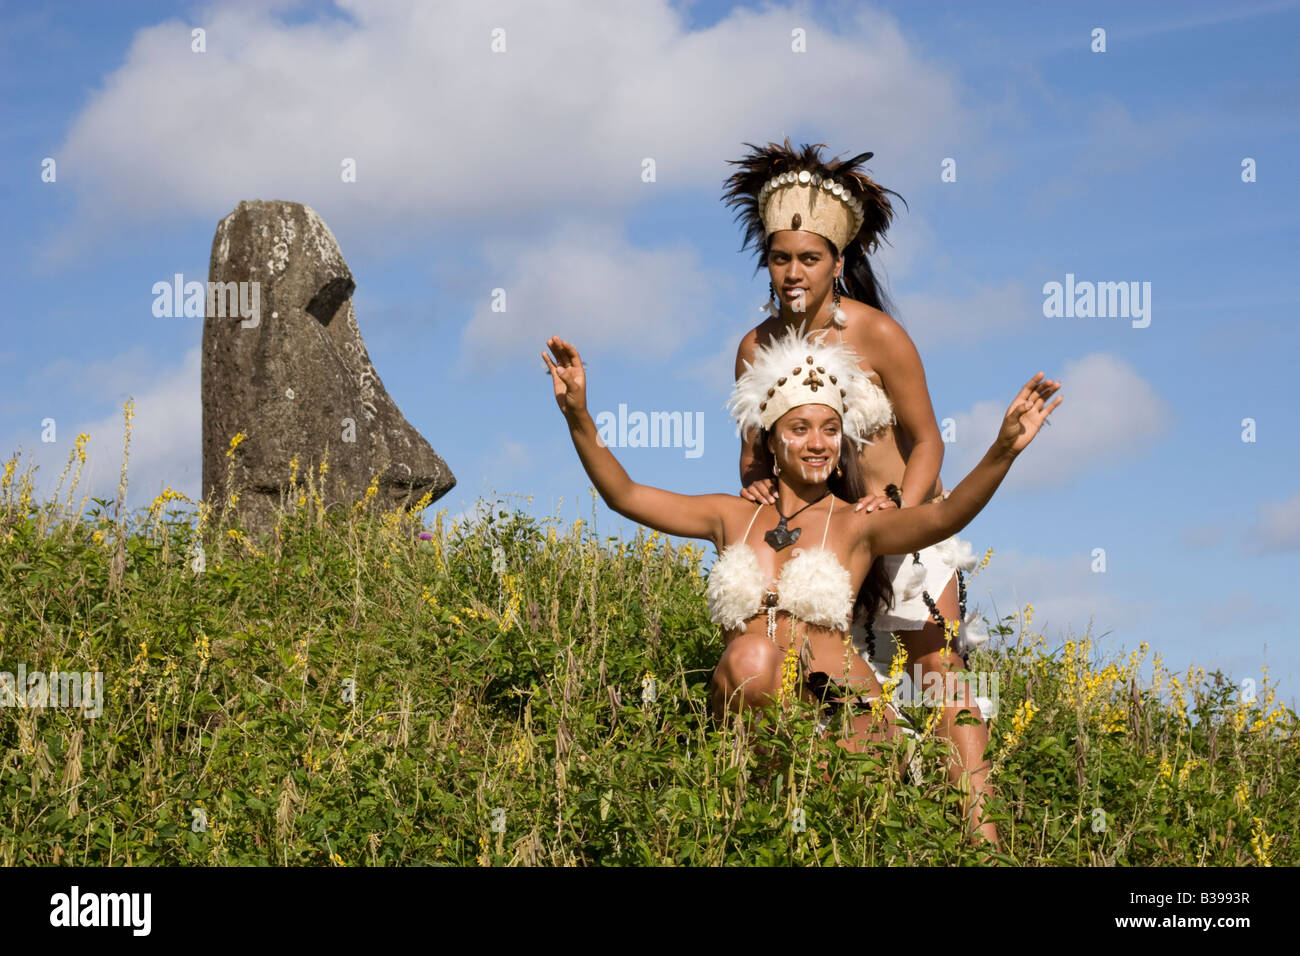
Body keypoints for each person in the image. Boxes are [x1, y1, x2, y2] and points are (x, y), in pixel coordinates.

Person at [542, 326, 1061, 849]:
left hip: (850, 722)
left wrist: (1003, 450)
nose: (818, 443)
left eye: (831, 429)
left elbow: (945, 516)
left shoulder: (858, 523)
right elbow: (624, 494)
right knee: (749, 656)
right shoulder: (730, 515)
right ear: (770, 436)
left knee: (847, 832)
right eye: (801, 428)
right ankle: (760, 809)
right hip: (758, 717)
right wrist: (579, 416)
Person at [722, 138, 999, 843]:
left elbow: (928, 438)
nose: (793, 272)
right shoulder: (754, 348)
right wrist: (757, 495)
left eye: (808, 258)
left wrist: (901, 502)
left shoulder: (877, 334)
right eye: (781, 257)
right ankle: (821, 817)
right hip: (824, 537)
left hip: (901, 519)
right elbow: (754, 454)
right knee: (827, 672)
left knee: (934, 660)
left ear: (837, 262)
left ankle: (981, 829)